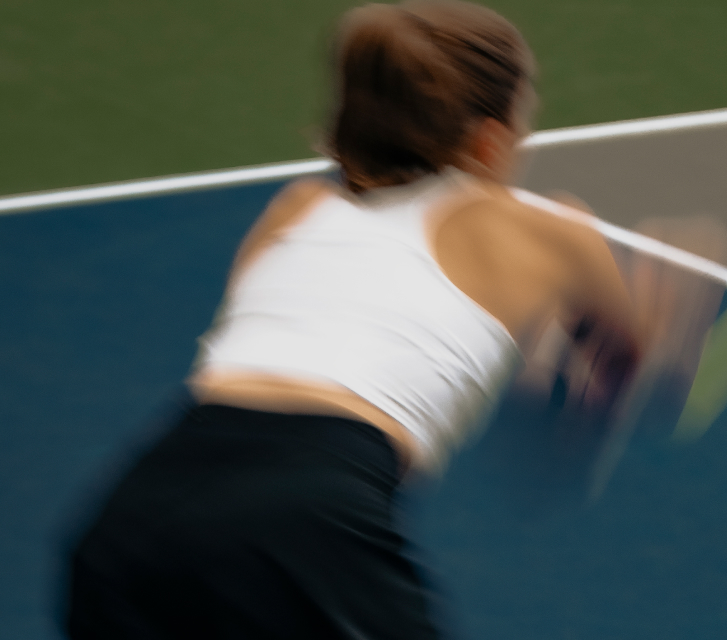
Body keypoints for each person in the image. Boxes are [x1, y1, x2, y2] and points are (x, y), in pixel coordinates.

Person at [65, 2, 643, 638]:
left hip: (132, 520)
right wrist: (654, 319)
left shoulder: (296, 209)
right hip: (303, 529)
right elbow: (622, 353)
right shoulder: (552, 232)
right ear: (487, 138)